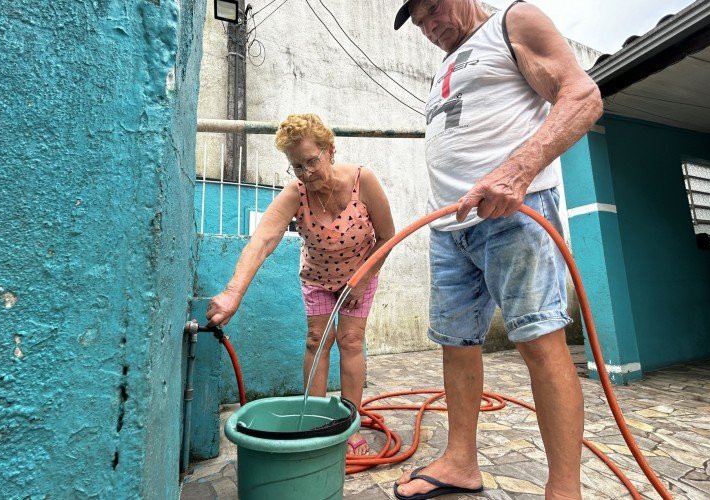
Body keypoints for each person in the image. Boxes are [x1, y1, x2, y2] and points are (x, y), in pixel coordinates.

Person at [392, 1, 602, 499]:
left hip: (514, 213)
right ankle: (461, 462)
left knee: (538, 341)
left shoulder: (513, 22)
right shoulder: (446, 62)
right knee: (455, 342)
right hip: (449, 226)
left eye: (433, 9)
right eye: (419, 22)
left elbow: (583, 95)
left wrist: (519, 169)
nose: (428, 26)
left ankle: (564, 490)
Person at [206, 113, 395, 456]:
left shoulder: (361, 180)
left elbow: (387, 237)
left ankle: (350, 425)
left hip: (359, 275)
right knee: (316, 340)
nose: (308, 174)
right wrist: (233, 292)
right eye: (298, 167)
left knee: (351, 341)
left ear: (329, 151)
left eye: (312, 161)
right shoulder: (296, 193)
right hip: (318, 277)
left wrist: (362, 278)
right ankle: (317, 423)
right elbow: (263, 239)